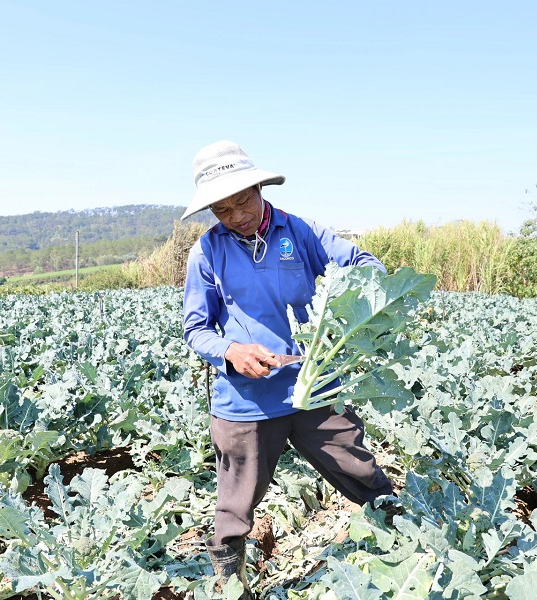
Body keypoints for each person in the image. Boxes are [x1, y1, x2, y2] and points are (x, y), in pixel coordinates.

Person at [181, 140, 395, 597]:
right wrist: (232, 352)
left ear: (260, 187)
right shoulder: (206, 253)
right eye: (223, 209)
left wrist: (352, 307)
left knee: (358, 470)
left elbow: (364, 266)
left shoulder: (300, 232)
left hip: (314, 383)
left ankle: (407, 540)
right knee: (235, 504)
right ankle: (230, 583)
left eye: (243, 200)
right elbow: (196, 330)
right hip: (245, 399)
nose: (237, 215)